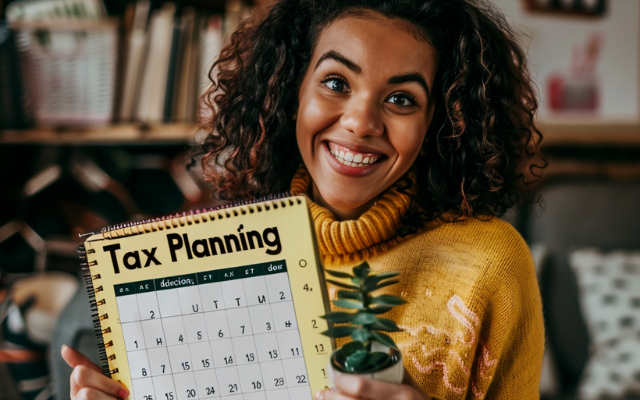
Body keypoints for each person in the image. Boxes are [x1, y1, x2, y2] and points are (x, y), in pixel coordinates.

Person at [62, 0, 547, 398]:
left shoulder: (492, 263)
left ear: (439, 123)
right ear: (293, 92)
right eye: (336, 83)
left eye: (401, 99)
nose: (360, 122)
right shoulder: (219, 250)